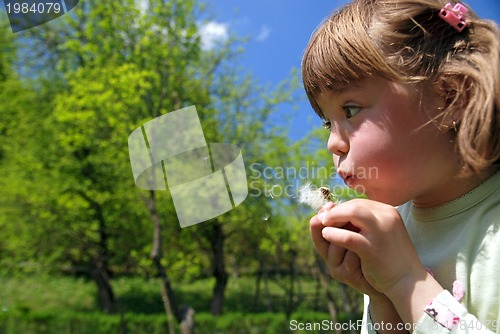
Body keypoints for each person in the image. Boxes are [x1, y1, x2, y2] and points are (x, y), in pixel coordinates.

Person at [302, 0, 500, 333]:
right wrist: (379, 293)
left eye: (349, 110)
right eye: (327, 123)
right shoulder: (389, 237)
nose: (332, 143)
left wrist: (406, 282)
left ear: (451, 97)